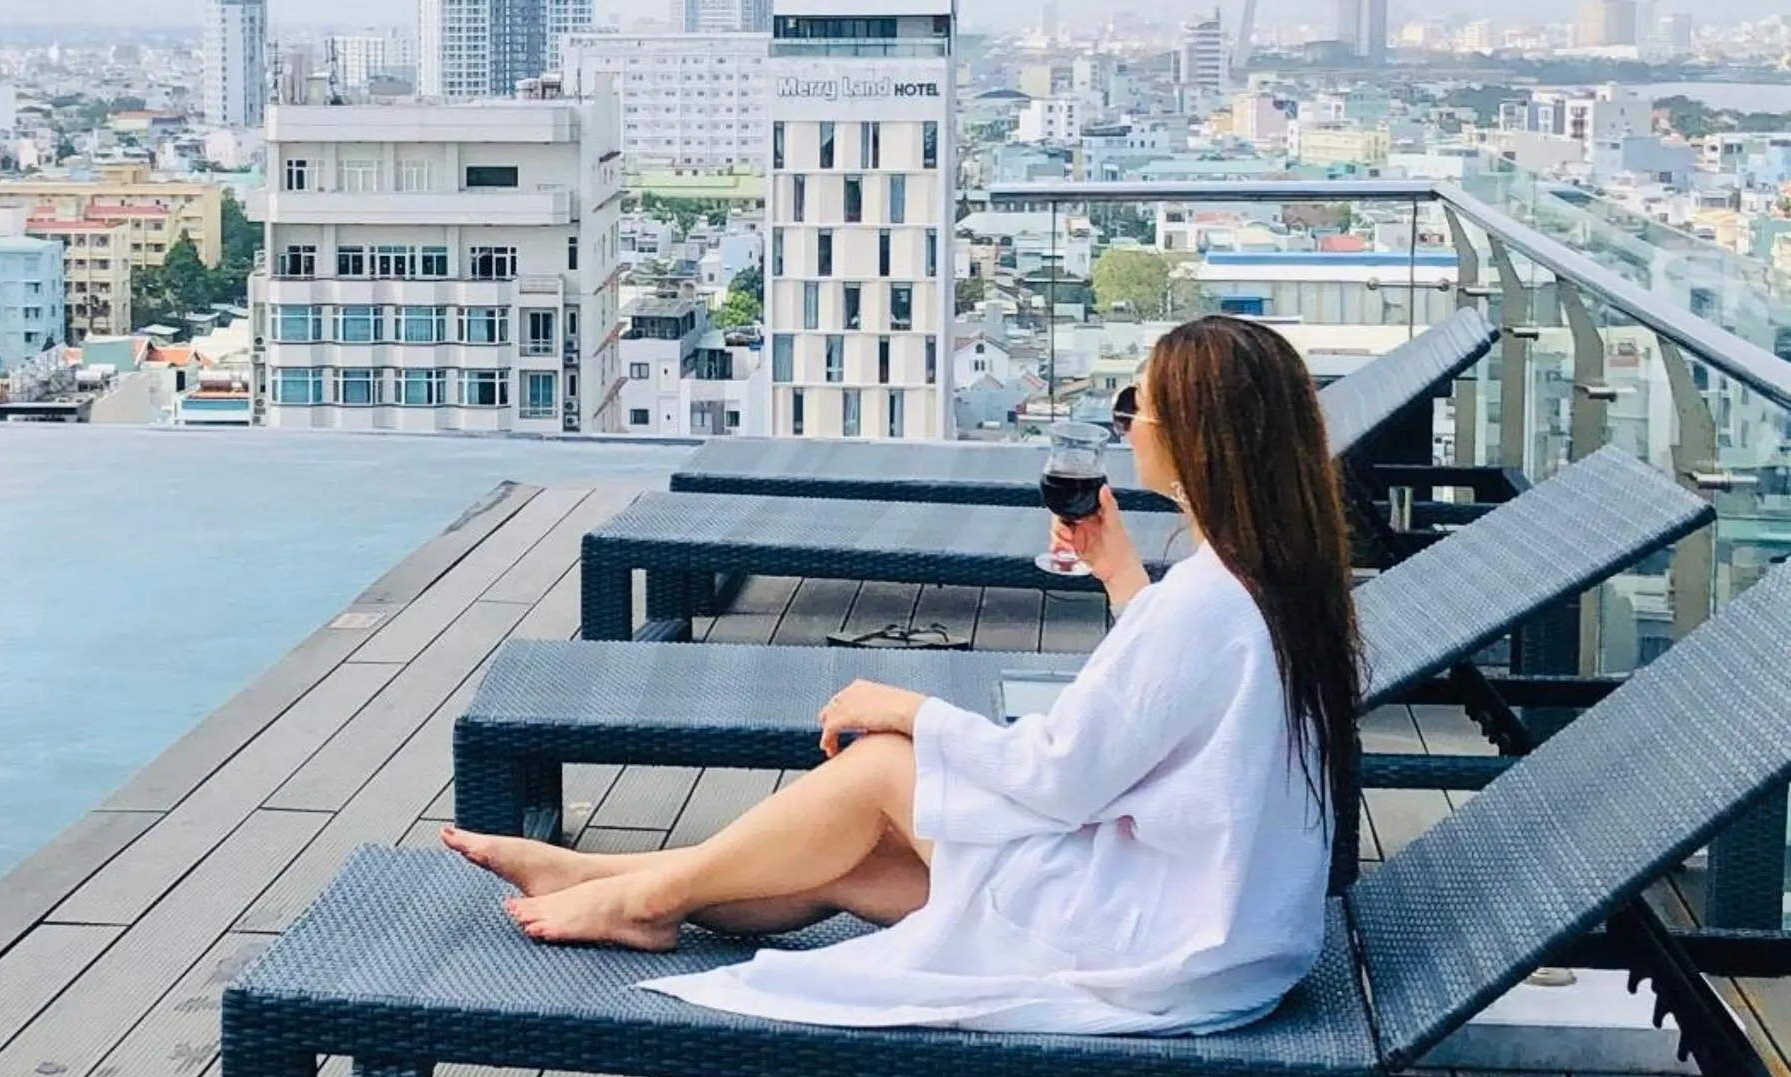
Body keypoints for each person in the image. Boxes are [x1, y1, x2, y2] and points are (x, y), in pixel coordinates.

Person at [441, 313, 1361, 1034]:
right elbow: (1168, 722)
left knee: (883, 767)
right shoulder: (1273, 578)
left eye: (1137, 408)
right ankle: (607, 874)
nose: (1126, 425)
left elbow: (1063, 779)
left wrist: (914, 711)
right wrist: (1124, 578)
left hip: (1167, 941)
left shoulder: (1211, 602)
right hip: (1223, 930)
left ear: (1192, 437)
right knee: (860, 861)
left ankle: (643, 899)